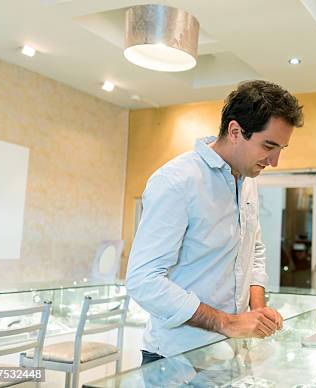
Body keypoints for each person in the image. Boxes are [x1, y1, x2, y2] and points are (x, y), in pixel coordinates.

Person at [127, 80, 304, 364]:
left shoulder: (247, 182)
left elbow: (253, 251)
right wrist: (227, 322)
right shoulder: (176, 181)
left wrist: (257, 311)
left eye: (281, 148)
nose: (275, 161)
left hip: (230, 356)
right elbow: (143, 280)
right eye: (269, 145)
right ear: (235, 131)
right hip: (175, 359)